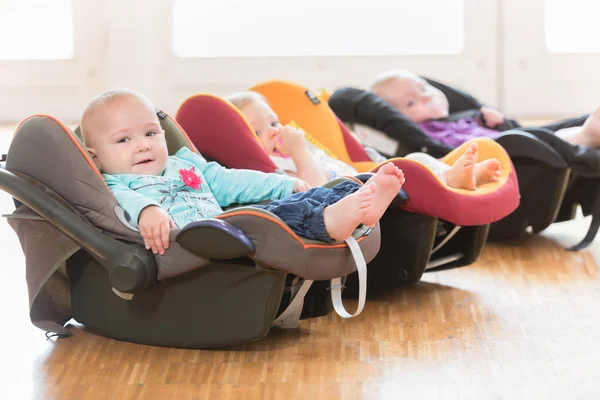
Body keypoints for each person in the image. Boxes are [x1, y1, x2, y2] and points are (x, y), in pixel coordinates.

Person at [80, 89, 405, 255]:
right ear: (95, 157)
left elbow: (231, 180)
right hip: (196, 243)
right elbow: (118, 202)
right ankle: (335, 218)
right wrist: (148, 209)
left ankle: (354, 196)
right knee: (273, 220)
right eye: (124, 139)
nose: (143, 146)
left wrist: (282, 183)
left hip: (227, 227)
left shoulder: (183, 163)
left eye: (151, 133)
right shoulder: (111, 182)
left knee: (283, 204)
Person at [227, 90, 502, 190]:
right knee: (410, 171)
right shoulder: (270, 170)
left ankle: (455, 175)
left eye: (274, 121)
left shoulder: (288, 150)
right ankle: (451, 179)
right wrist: (300, 153)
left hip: (362, 174)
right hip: (358, 192)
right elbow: (316, 192)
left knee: (415, 159)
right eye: (258, 131)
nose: (275, 130)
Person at [370, 69, 600, 149]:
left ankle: (586, 129)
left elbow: (506, 129)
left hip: (512, 141)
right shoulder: (427, 133)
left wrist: (496, 121)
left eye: (424, 88)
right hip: (504, 154)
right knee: (543, 141)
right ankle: (587, 136)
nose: (425, 98)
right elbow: (454, 149)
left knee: (542, 135)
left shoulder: (459, 117)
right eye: (411, 103)